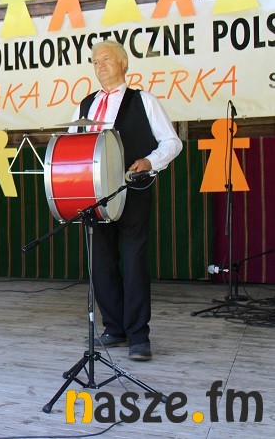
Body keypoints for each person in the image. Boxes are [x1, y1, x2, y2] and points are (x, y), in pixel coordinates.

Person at [71, 40, 182, 361]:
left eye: (106, 59)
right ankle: (114, 327)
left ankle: (138, 336)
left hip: (132, 190)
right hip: (95, 194)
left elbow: (172, 143)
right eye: (95, 62)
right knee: (101, 262)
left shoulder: (143, 100)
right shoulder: (85, 105)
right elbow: (71, 145)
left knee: (133, 262)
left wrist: (149, 161)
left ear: (123, 63)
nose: (99, 66)